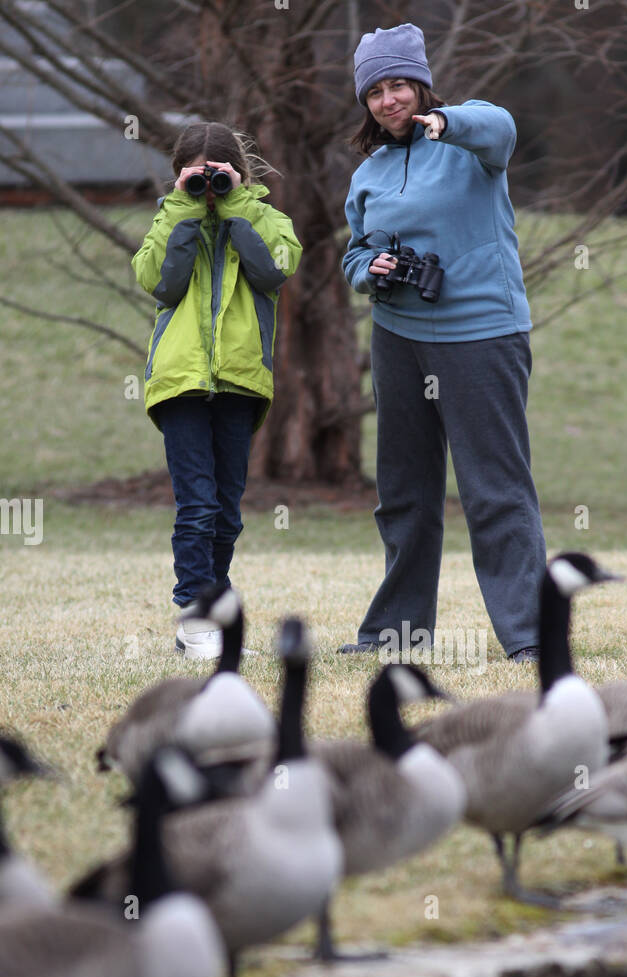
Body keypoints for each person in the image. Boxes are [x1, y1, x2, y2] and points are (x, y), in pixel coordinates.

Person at [341, 23, 547, 662]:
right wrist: (368, 269)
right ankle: (396, 633)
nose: (388, 99)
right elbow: (354, 253)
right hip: (399, 339)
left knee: (495, 490)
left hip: (481, 336)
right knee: (403, 492)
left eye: (399, 84)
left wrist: (445, 122)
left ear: (421, 86)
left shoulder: (469, 143)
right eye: (375, 91)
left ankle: (530, 637)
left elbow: (502, 126)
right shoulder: (368, 172)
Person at [132, 122, 302, 658]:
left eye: (218, 178)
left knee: (227, 511)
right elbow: (158, 280)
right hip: (180, 383)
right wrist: (182, 208)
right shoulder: (170, 219)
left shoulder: (263, 217)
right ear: (180, 176)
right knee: (197, 505)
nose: (210, 189)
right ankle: (196, 617)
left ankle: (211, 615)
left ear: (239, 173)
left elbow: (275, 269)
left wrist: (237, 208)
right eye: (198, 179)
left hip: (241, 381)